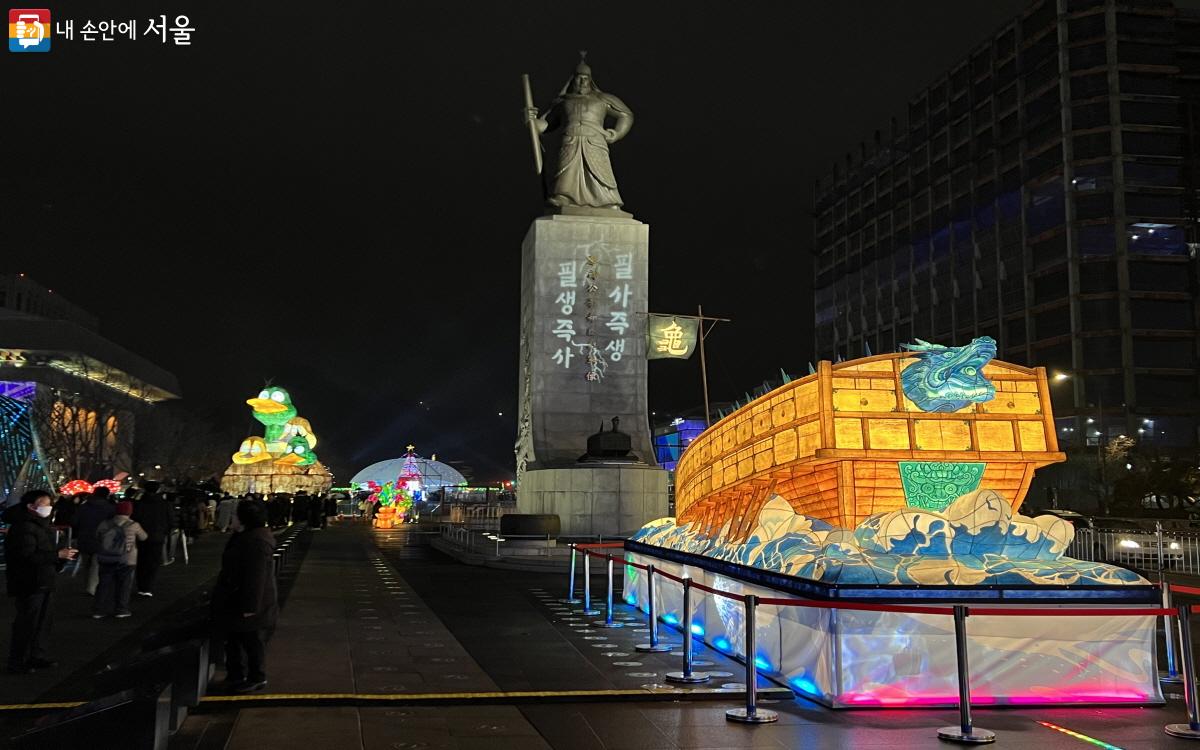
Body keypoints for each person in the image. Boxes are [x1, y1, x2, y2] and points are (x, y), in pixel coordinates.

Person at [526, 56, 634, 211]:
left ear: (591, 80)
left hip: (595, 141)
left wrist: (617, 133)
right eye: (579, 78)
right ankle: (563, 197)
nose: (582, 82)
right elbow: (545, 125)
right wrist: (531, 120)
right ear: (573, 80)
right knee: (567, 173)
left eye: (585, 78)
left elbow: (626, 114)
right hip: (570, 140)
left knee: (600, 173)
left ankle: (608, 201)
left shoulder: (602, 99)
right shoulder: (563, 102)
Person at [5, 490, 77, 673]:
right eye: (45, 504)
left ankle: (36, 655)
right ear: (31, 506)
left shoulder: (38, 525)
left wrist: (59, 557)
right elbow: (26, 556)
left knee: (43, 621)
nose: (49, 508)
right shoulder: (24, 527)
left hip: (43, 579)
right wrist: (56, 555)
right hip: (30, 581)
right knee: (28, 622)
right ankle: (18, 660)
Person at [211, 499, 278, 693]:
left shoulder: (255, 541)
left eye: (234, 515)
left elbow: (256, 577)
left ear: (243, 519)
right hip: (236, 598)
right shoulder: (247, 536)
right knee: (234, 640)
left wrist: (250, 607)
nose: (230, 518)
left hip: (247, 602)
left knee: (250, 641)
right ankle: (236, 676)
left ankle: (256, 677)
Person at [92, 501, 147, 619]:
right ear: (130, 511)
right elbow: (144, 537)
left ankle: (98, 610)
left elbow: (97, 536)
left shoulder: (105, 523)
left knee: (103, 584)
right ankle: (121, 610)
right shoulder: (133, 524)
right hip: (127, 560)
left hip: (106, 558)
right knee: (124, 585)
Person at [72, 486, 116, 596]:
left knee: (86, 562)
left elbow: (74, 522)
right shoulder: (110, 508)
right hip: (102, 539)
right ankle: (92, 587)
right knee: (96, 564)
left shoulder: (83, 507)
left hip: (84, 537)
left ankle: (88, 584)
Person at [131, 482, 171, 597]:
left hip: (140, 536)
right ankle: (148, 587)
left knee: (141, 562)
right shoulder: (165, 504)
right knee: (153, 563)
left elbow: (134, 518)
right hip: (157, 537)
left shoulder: (139, 504)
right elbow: (170, 521)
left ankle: (141, 586)